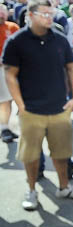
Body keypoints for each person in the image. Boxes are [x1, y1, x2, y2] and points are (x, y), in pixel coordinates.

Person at [4, 0, 73, 210]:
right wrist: (20, 104)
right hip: (31, 110)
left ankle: (64, 187)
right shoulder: (16, 41)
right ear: (30, 14)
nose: (49, 17)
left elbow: (72, 67)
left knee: (62, 153)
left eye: (51, 13)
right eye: (44, 13)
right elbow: (10, 74)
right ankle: (31, 190)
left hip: (59, 109)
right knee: (30, 156)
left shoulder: (59, 39)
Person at [0, 5, 20, 143]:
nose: (1, 15)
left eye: (3, 13)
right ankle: (4, 128)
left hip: (10, 69)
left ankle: (5, 127)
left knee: (8, 100)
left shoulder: (13, 28)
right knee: (4, 101)